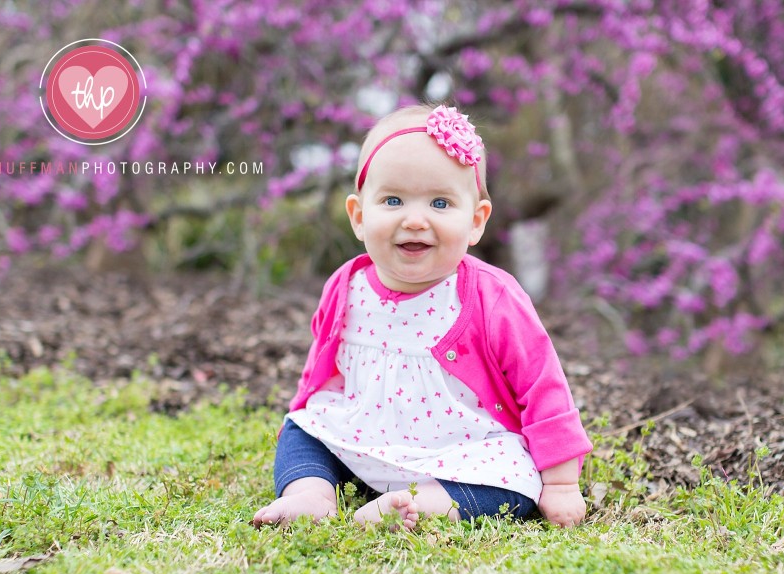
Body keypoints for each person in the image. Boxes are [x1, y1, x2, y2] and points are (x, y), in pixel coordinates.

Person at [253, 103, 591, 530]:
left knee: (513, 485)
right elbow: (320, 368)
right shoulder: (347, 285)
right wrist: (310, 417)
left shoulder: (491, 295)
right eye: (393, 200)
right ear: (359, 216)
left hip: (462, 450)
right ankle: (310, 493)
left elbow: (543, 385)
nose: (415, 220)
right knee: (302, 430)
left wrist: (560, 482)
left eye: (440, 202)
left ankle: (424, 502)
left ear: (475, 221)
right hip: (362, 434)